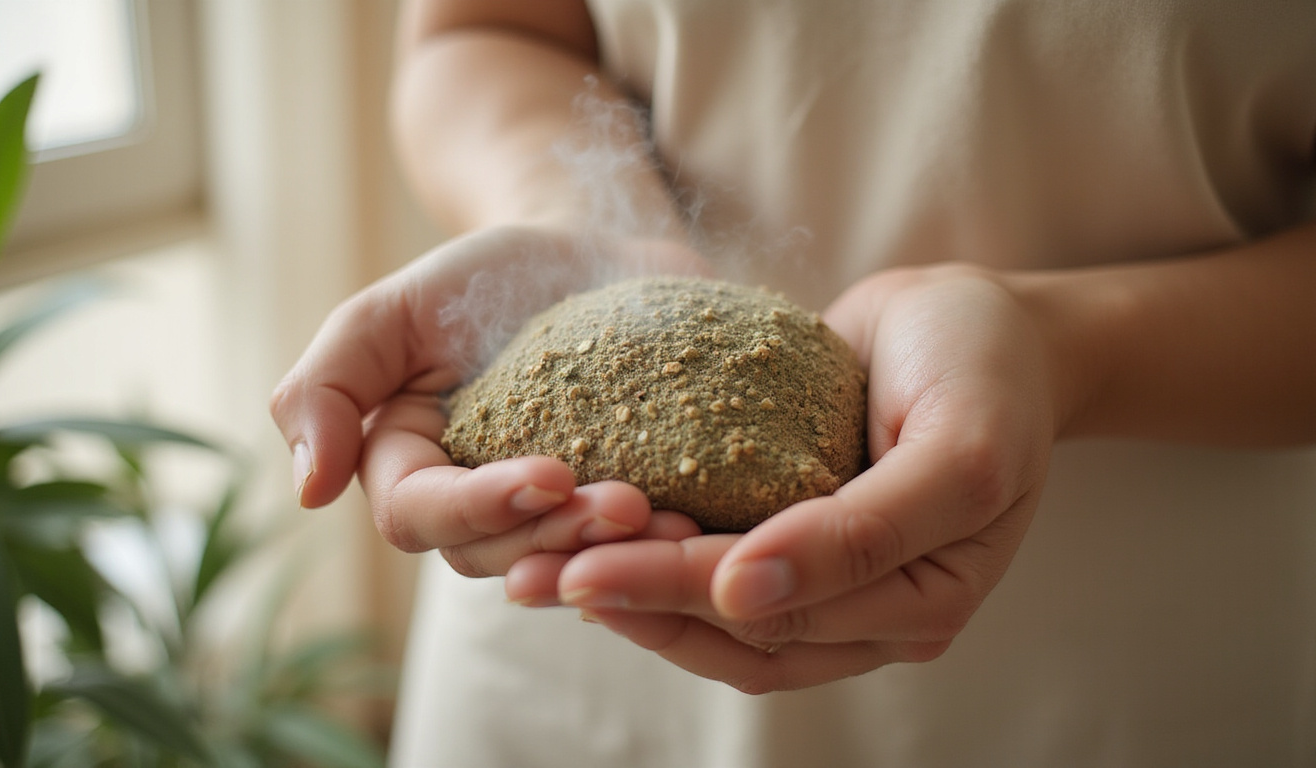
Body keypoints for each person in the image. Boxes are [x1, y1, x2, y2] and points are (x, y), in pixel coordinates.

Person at [271, 0, 1316, 765]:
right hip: (569, 589)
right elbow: (485, 30)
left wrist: (1064, 349)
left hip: (1132, 629)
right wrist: (581, 226)